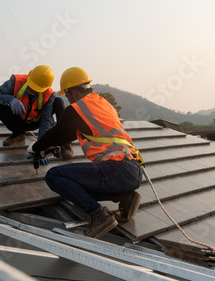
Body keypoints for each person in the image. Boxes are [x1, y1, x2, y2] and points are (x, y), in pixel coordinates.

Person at [27, 67, 143, 239]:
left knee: (54, 177)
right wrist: (49, 148)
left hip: (116, 169)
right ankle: (125, 196)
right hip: (133, 170)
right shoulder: (102, 103)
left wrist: (35, 148)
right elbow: (69, 134)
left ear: (73, 92)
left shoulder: (77, 108)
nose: (67, 99)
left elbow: (58, 132)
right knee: (76, 183)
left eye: (66, 95)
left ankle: (99, 216)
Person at [0, 65, 74, 160]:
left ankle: (65, 144)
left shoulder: (48, 94)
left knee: (59, 102)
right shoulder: (15, 81)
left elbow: (46, 121)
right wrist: (10, 99)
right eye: (32, 87)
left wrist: (41, 149)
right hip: (18, 120)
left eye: (37, 89)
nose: (33, 90)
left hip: (35, 121)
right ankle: (18, 134)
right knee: (0, 108)